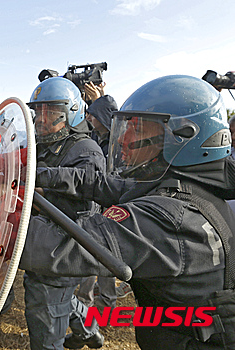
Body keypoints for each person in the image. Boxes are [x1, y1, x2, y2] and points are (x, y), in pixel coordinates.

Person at [20, 75, 235, 349]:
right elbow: (99, 183)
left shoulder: (170, 218)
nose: (124, 140)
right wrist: (37, 175)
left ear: (182, 137)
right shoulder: (186, 182)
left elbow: (57, 246)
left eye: (139, 129)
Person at [23, 76, 105, 350]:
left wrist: (41, 193)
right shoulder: (41, 146)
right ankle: (89, 329)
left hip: (61, 248)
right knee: (60, 300)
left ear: (71, 113)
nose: (41, 120)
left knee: (45, 315)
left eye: (51, 113)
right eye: (39, 112)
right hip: (44, 246)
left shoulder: (86, 149)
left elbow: (87, 201)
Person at [76, 95, 120, 312]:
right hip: (98, 201)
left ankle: (101, 300)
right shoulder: (96, 138)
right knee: (96, 251)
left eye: (94, 114)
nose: (90, 118)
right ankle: (94, 299)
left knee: (105, 254)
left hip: (112, 203)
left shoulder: (116, 140)